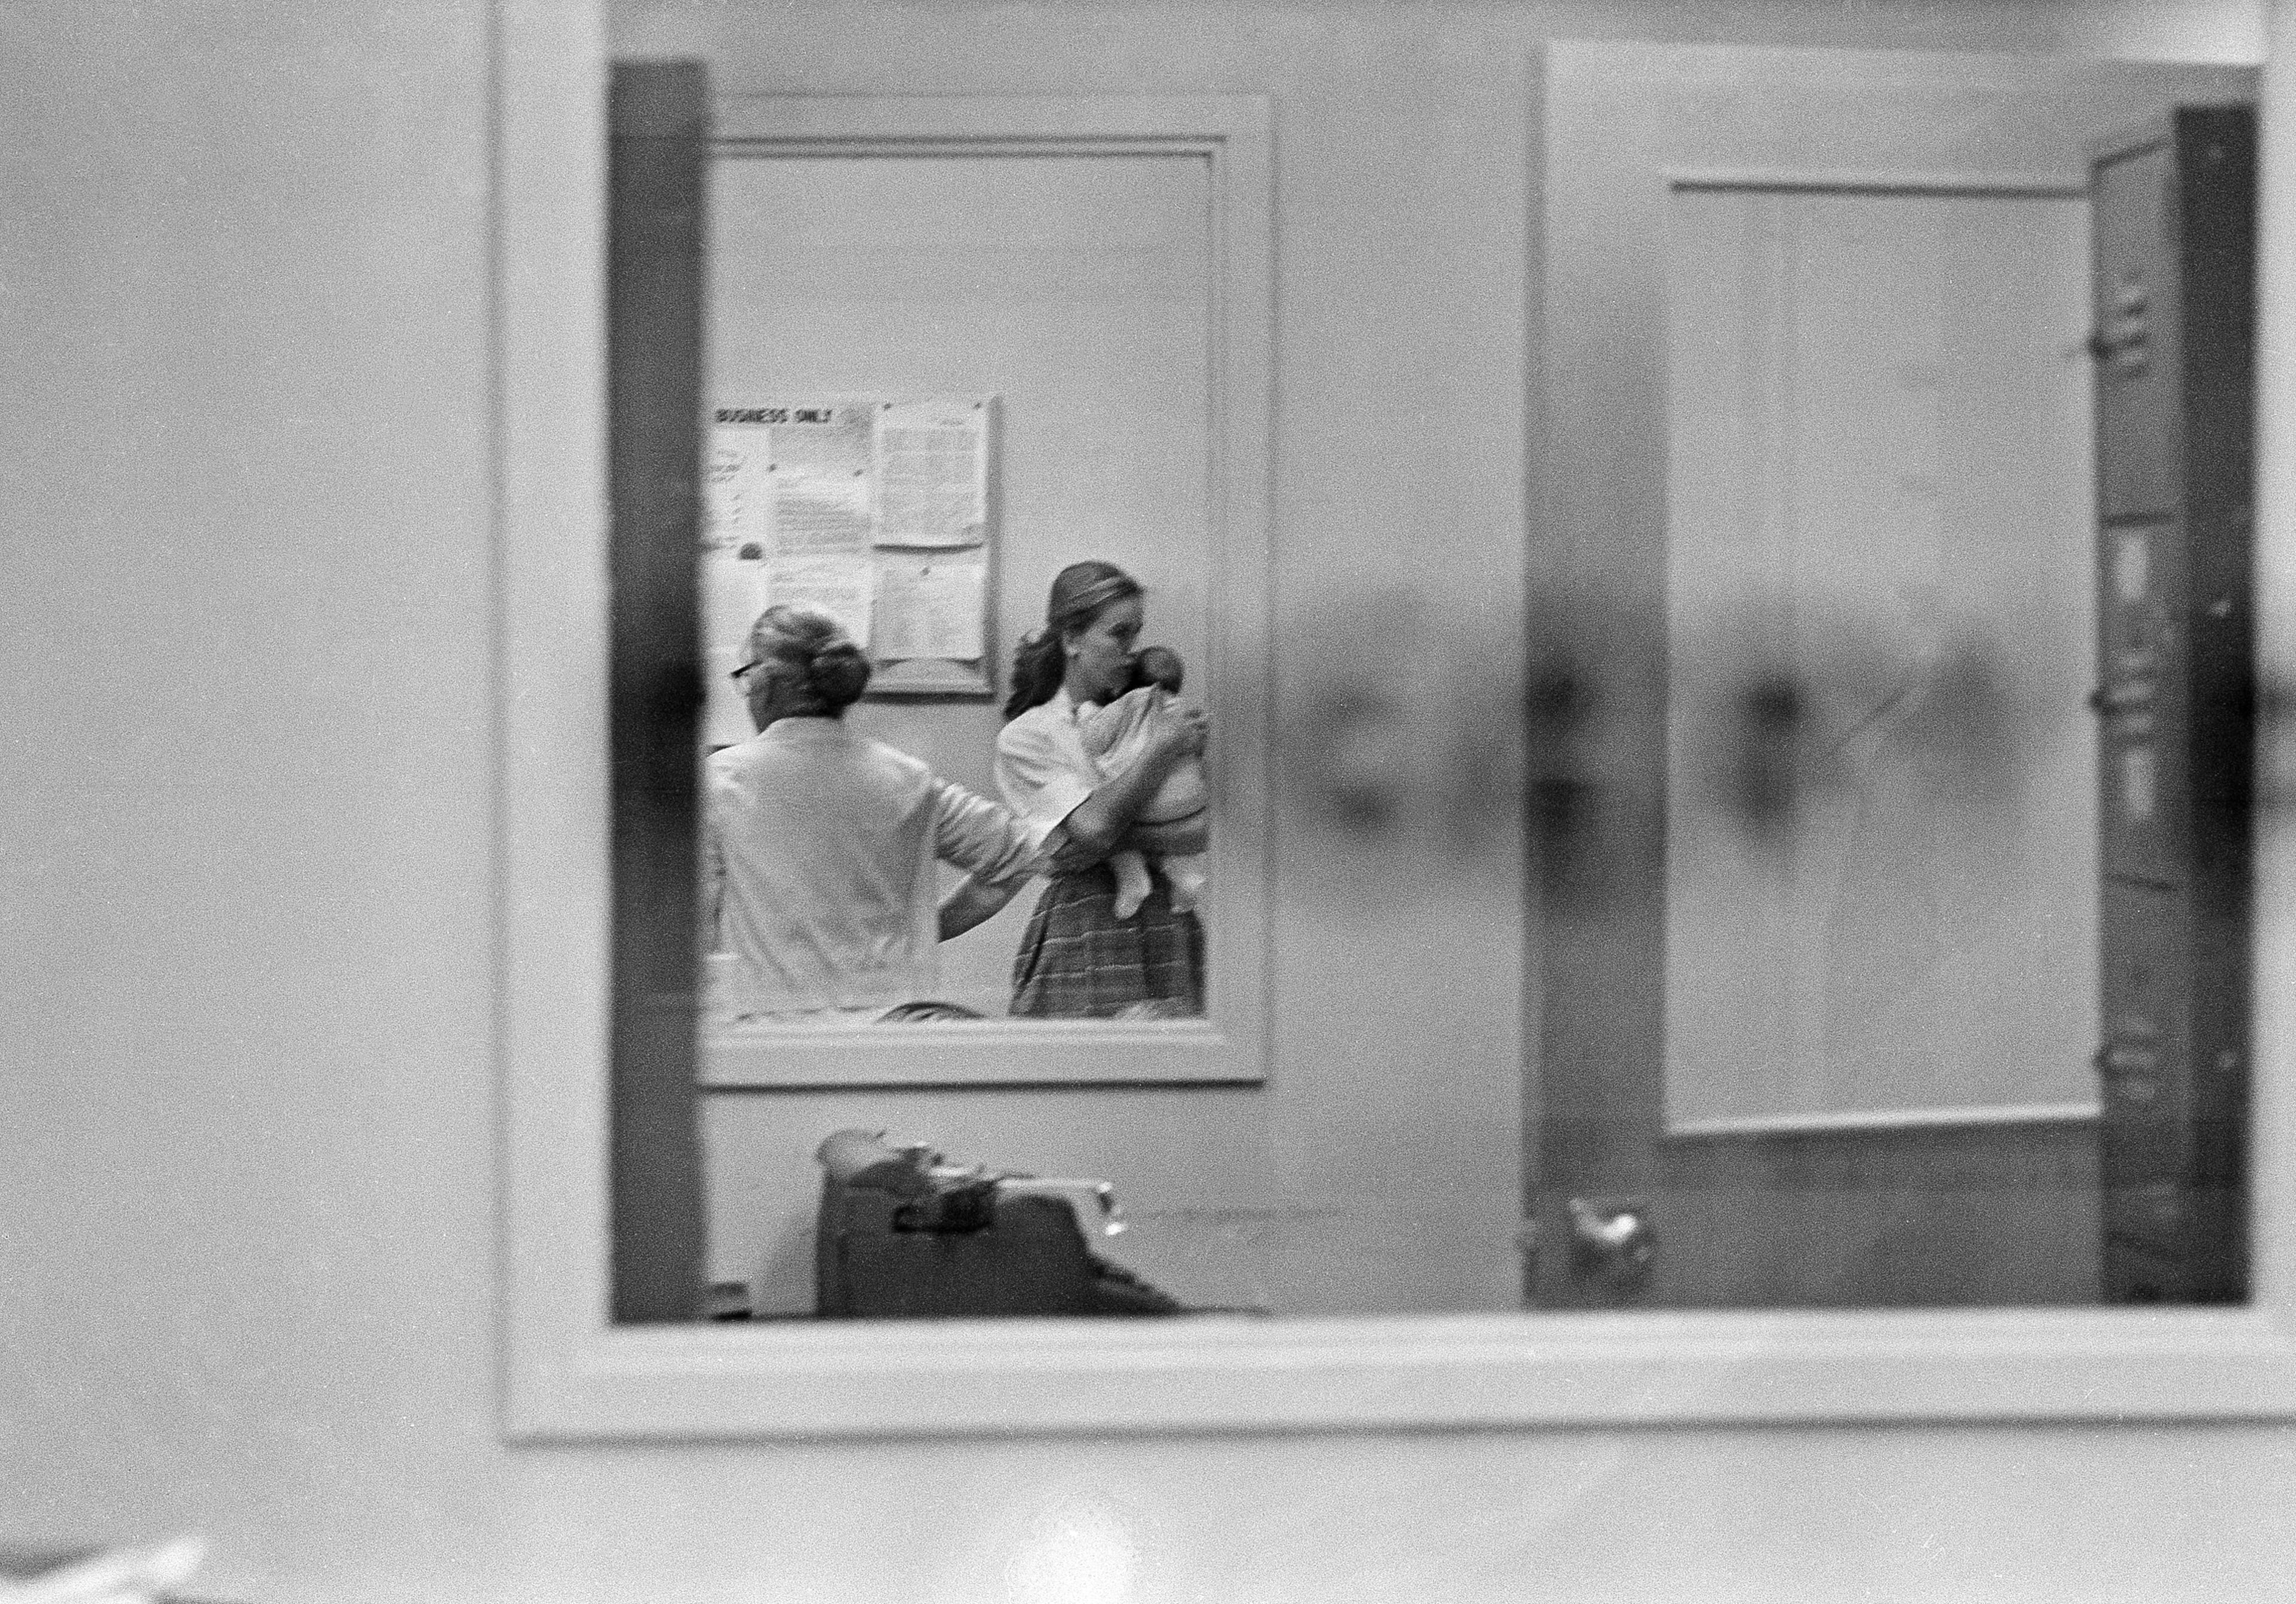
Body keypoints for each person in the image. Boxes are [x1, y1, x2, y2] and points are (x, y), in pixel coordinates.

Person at [707, 604, 1053, 1023]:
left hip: (775, 1039)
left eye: (745, 680)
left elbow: (690, 926)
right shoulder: (906, 778)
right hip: (892, 1032)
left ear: (762, 683)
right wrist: (925, 930)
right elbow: (1017, 855)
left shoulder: (722, 780)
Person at [996, 561, 1210, 1018]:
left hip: (1166, 919)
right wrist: (1164, 747)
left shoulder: (1148, 715)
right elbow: (1094, 829)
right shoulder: (1029, 736)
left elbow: (1200, 831)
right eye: (1118, 635)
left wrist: (1086, 842)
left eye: (1136, 635)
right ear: (1072, 639)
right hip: (1087, 926)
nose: (1133, 652)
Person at [1077, 645, 1209, 920]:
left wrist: (1086, 714)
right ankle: (1186, 878)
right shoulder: (1181, 708)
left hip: (1148, 802)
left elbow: (1094, 738)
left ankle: (1133, 878)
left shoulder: (1134, 703)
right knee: (1172, 843)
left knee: (1110, 825)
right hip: (1191, 800)